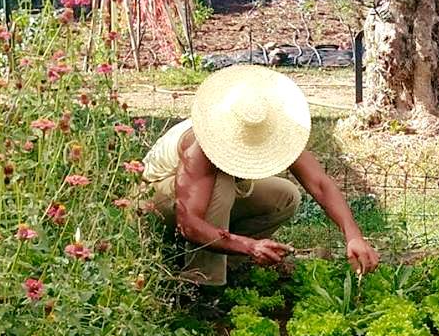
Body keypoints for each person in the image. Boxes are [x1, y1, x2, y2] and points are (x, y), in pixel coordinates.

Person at [143, 64, 380, 285]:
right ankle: (202, 284)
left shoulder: (275, 129)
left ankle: (231, 268)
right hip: (156, 202)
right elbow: (189, 223)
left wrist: (353, 236)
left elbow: (320, 184)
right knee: (222, 184)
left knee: (285, 195)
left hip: (204, 203)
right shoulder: (201, 145)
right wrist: (249, 246)